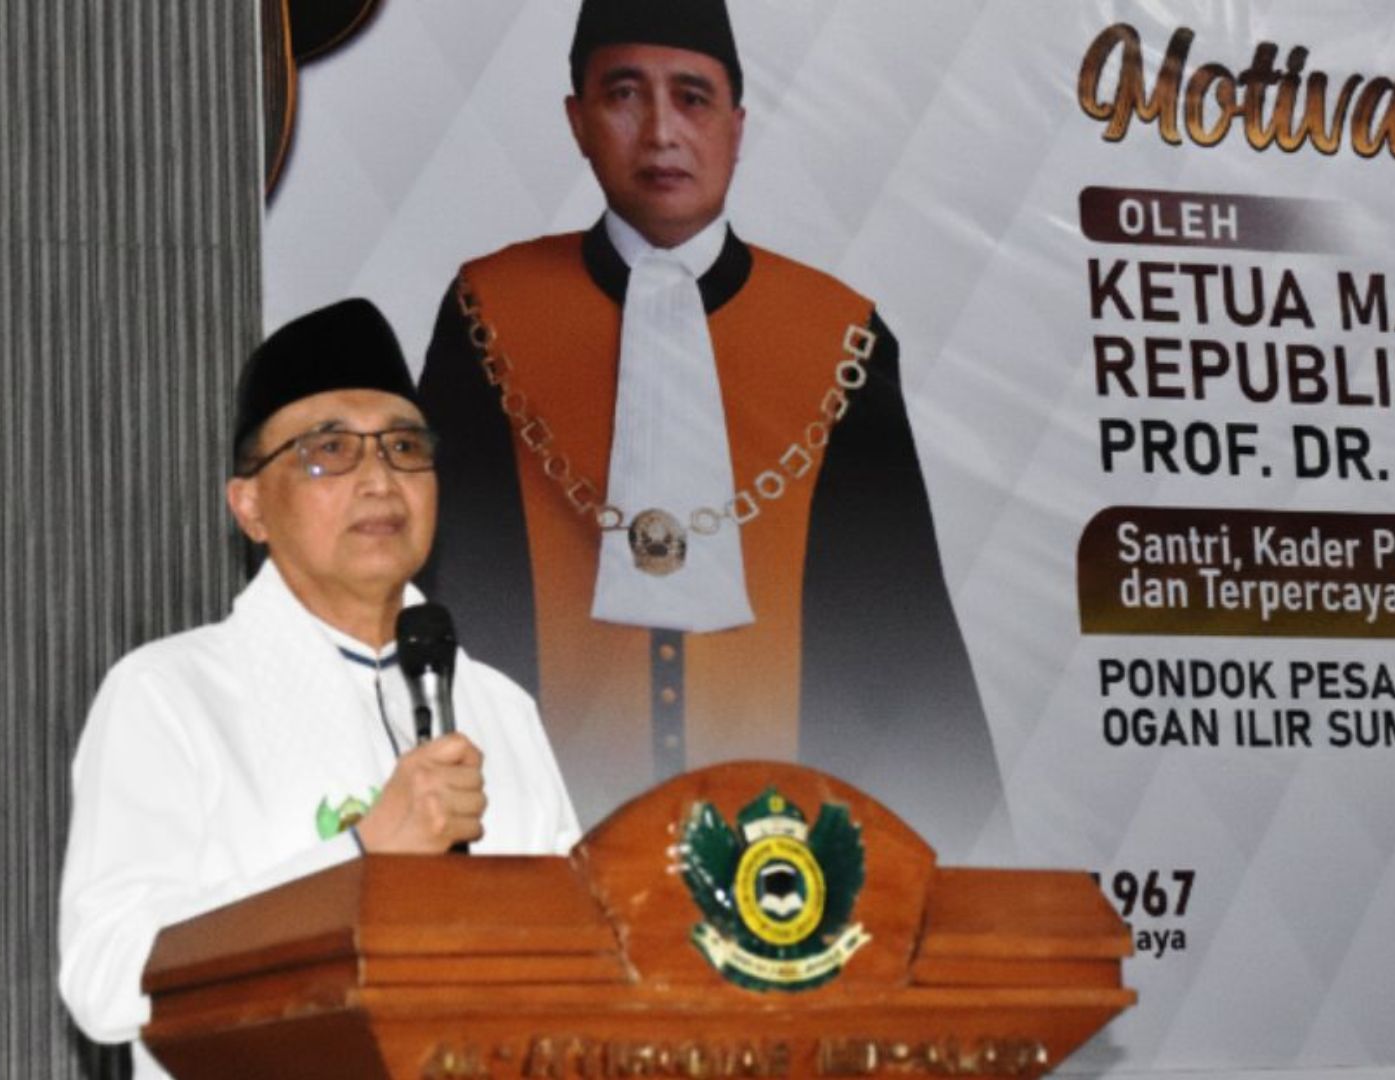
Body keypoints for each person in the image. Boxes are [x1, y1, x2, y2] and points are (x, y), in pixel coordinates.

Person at [417, 0, 1003, 848]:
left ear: (737, 125)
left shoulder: (838, 334)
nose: (661, 133)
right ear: (577, 121)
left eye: (692, 98)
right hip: (545, 837)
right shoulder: (491, 314)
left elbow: (895, 633)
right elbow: (452, 597)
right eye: (625, 94)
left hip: (784, 851)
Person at [57, 299, 579, 1079]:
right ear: (250, 507)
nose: (378, 479)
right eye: (329, 450)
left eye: (404, 446)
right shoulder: (170, 695)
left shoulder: (500, 707)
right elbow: (106, 978)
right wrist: (360, 855)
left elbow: (573, 974)